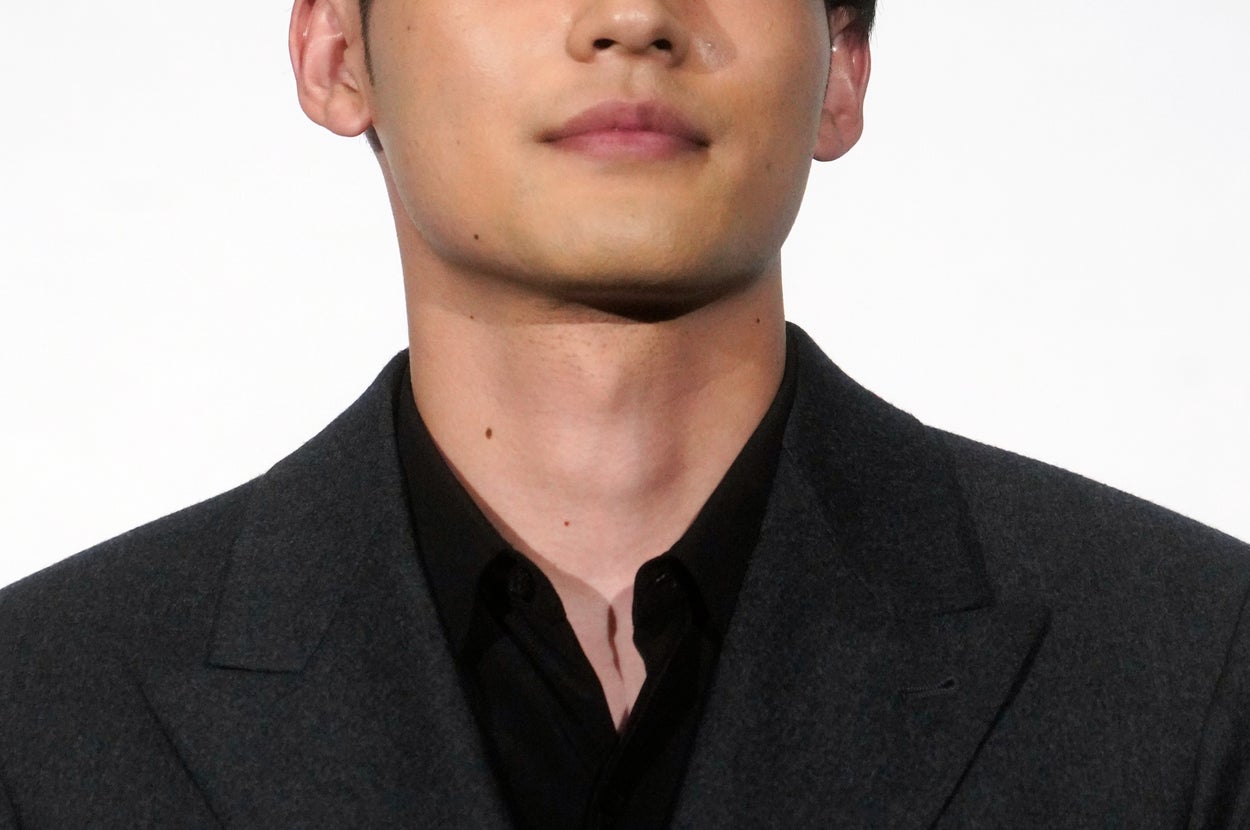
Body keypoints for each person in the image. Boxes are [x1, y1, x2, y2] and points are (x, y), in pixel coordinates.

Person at [1, 0, 1247, 826]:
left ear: (841, 69)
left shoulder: (1195, 668)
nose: (632, 16)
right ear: (337, 53)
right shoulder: (39, 714)